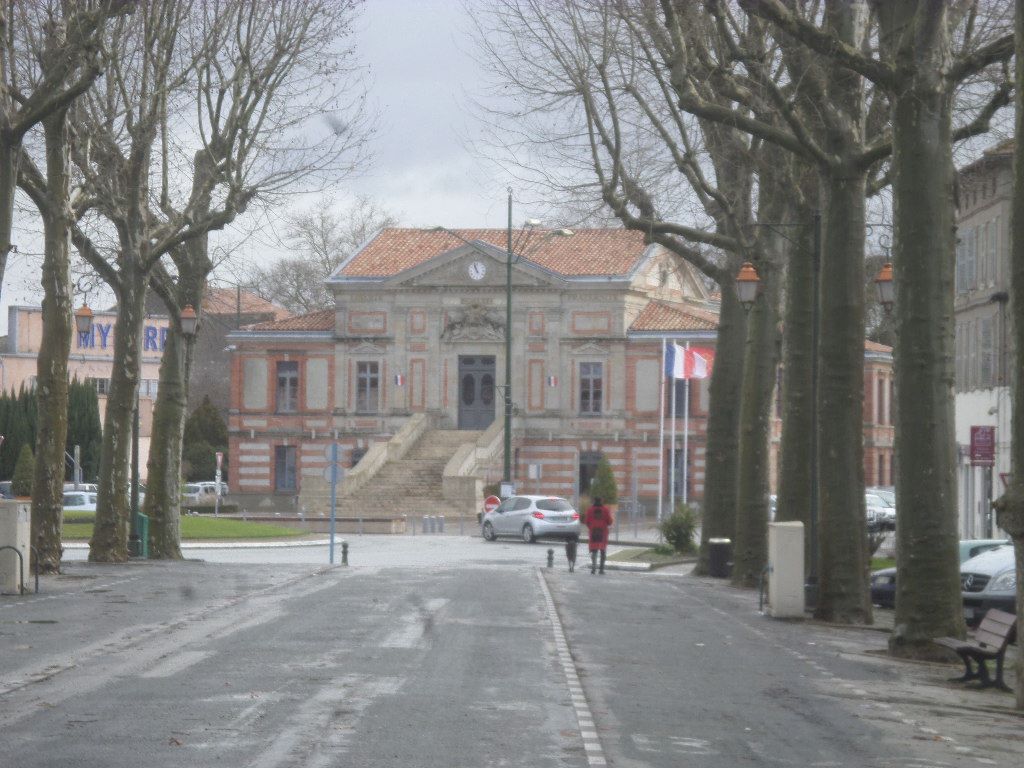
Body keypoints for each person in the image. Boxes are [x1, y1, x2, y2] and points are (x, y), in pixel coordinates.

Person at [583, 497, 614, 575]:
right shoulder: (605, 510)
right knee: (602, 550)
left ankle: (593, 568)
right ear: (601, 501)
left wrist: (591, 527)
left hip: (593, 531)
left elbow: (586, 521)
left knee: (594, 550)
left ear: (594, 501)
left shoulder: (590, 510)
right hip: (603, 532)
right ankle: (601, 569)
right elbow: (610, 522)